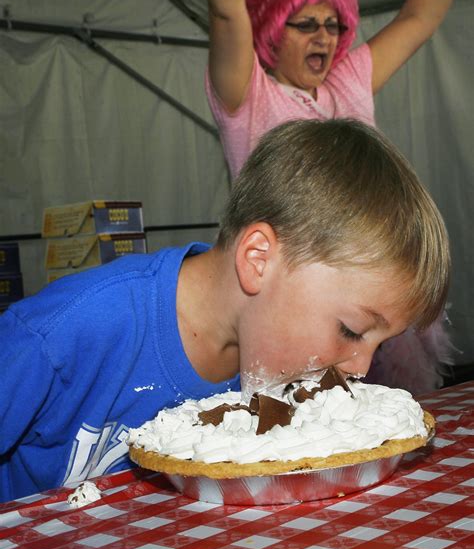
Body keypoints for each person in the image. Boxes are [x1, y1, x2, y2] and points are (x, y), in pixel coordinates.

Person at [0, 119, 449, 502]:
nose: (362, 368)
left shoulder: (275, 366)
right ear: (258, 260)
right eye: (352, 330)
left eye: (380, 344)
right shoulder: (60, 336)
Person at [205, 0, 473, 176]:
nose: (323, 37)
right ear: (272, 34)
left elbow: (418, 19)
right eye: (306, 25)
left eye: (332, 26)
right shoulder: (251, 94)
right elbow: (226, 11)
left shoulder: (345, 81)